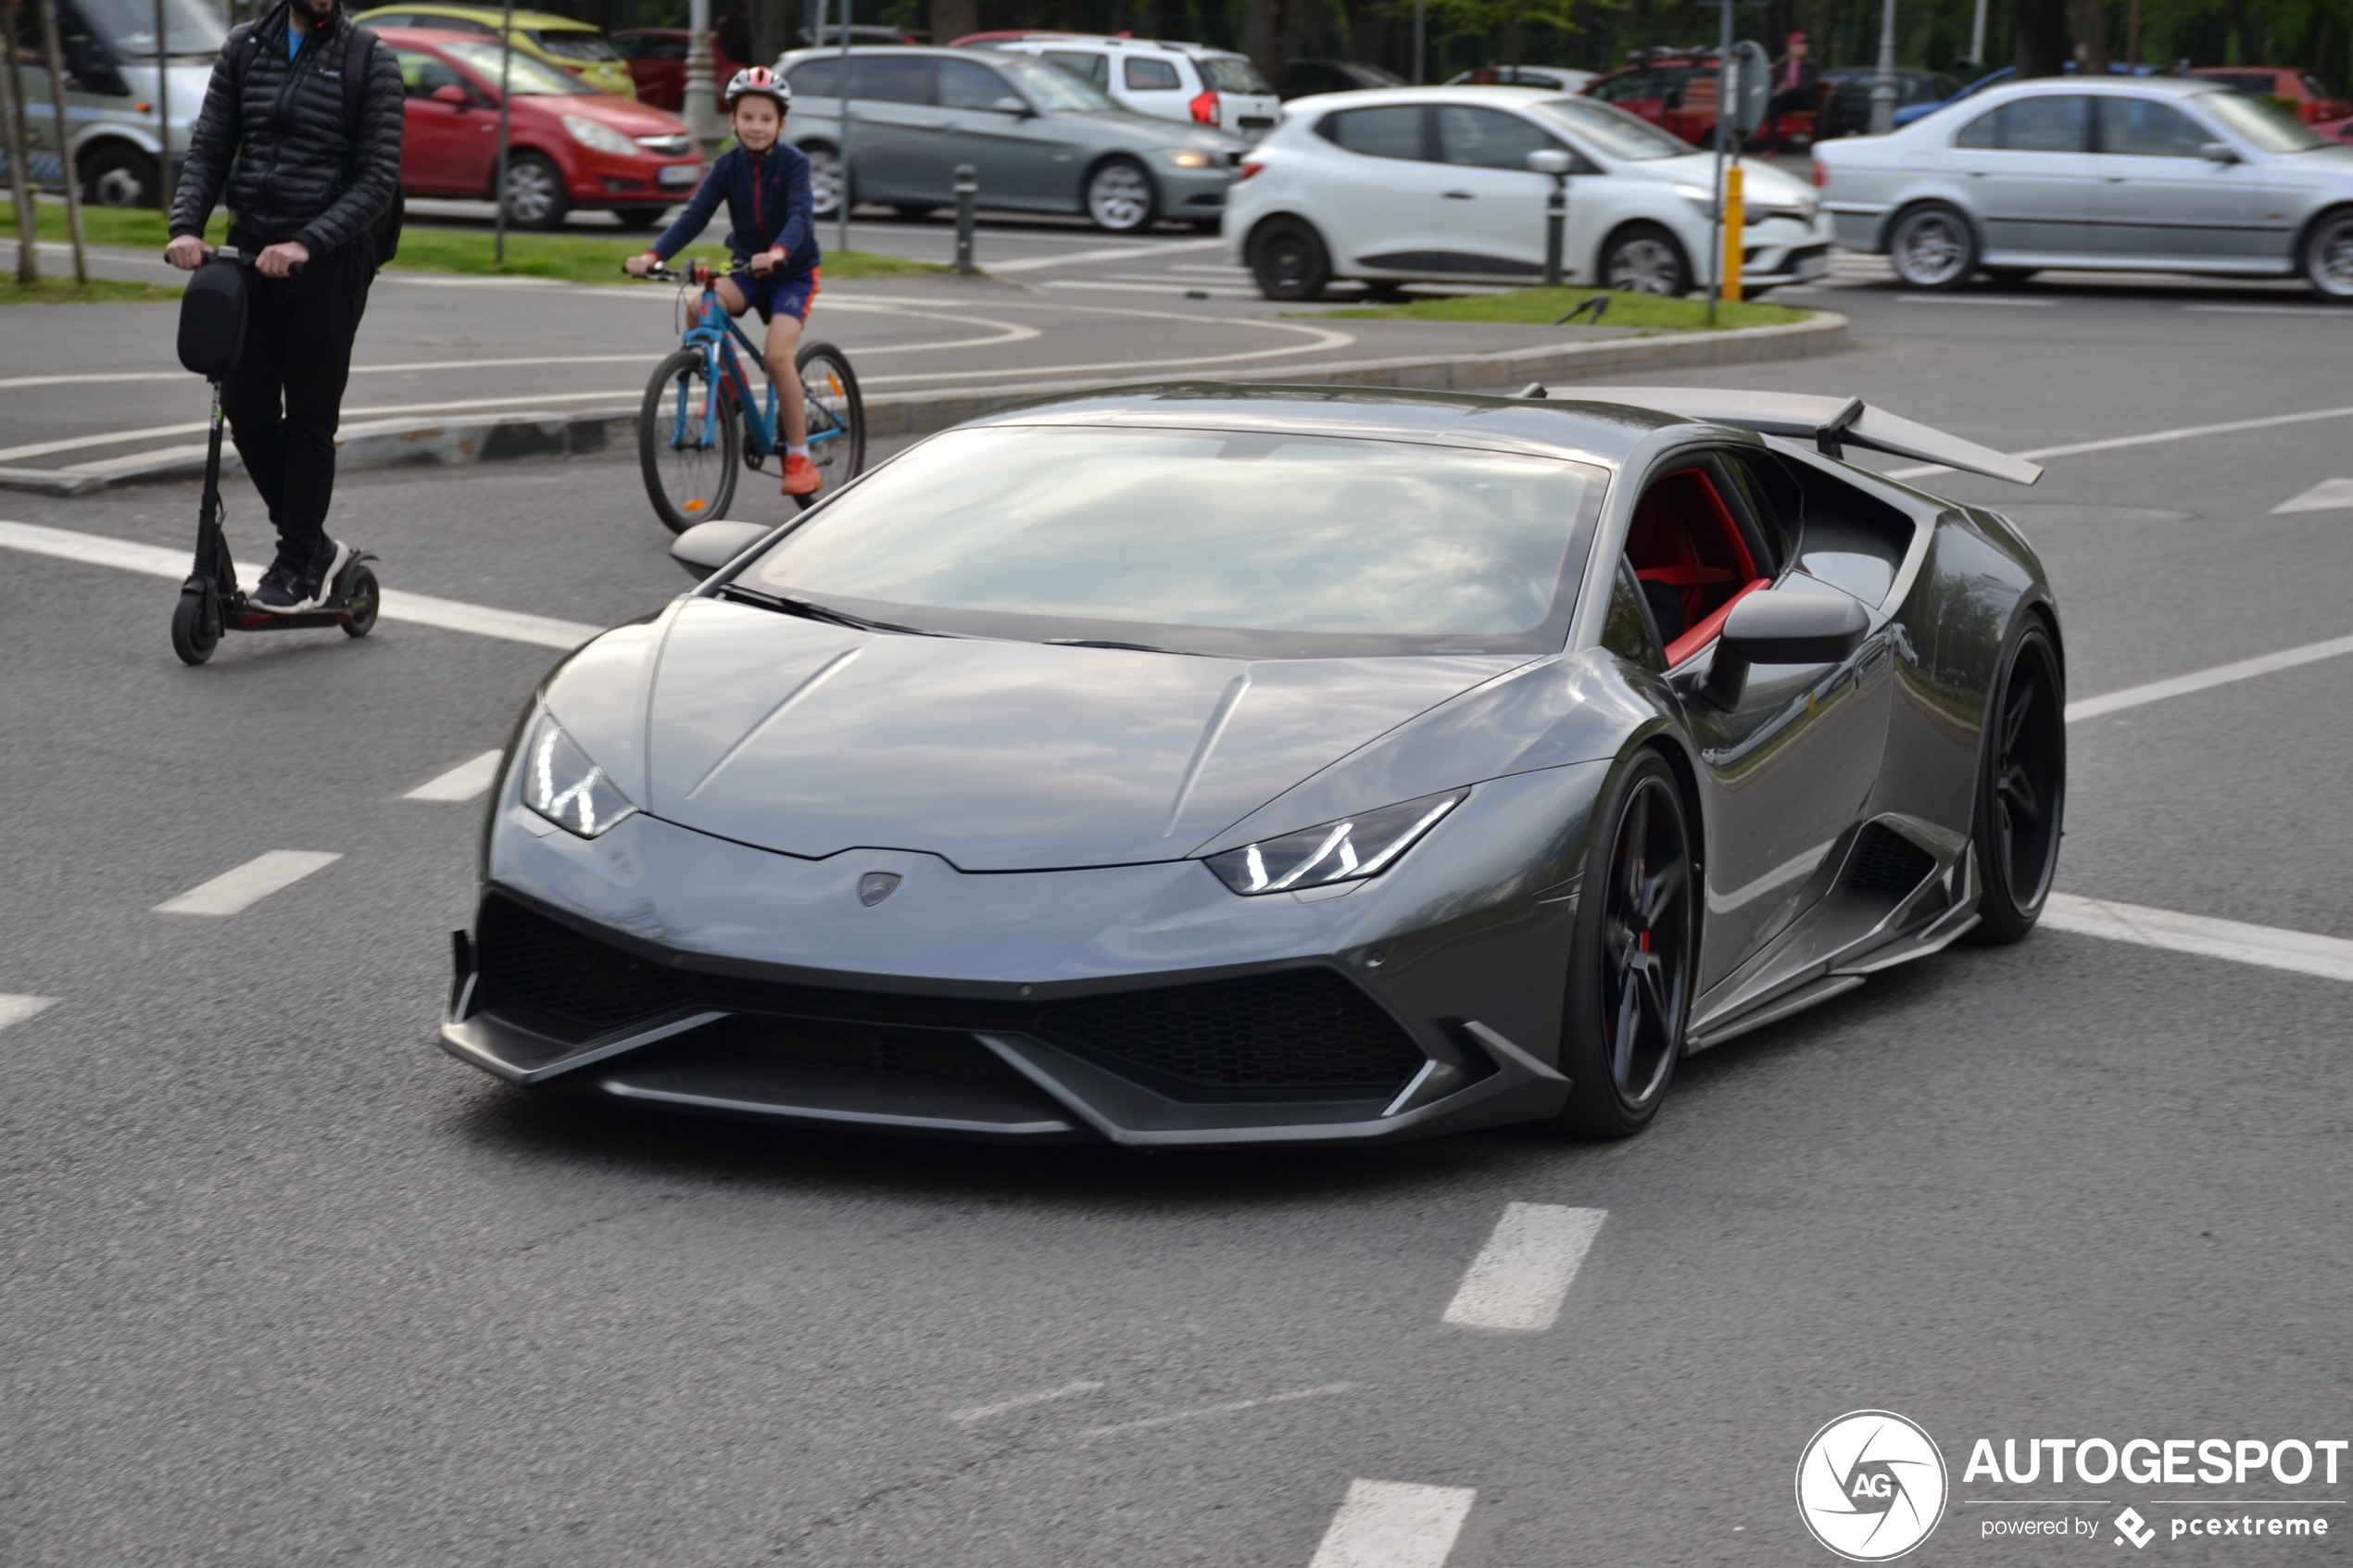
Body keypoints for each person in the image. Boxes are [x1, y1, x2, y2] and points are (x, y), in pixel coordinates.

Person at [164, 0, 402, 613]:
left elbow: (377, 179)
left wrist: (307, 242)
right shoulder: (245, 48)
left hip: (328, 260)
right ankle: (315, 546)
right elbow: (213, 143)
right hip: (251, 253)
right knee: (245, 406)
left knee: (311, 417)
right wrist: (188, 226)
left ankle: (297, 560)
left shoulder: (369, 59)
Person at [626, 68, 824, 498]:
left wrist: (778, 252)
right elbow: (695, 215)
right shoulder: (726, 167)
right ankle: (729, 394)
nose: (756, 126)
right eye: (747, 117)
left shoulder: (794, 164)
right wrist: (652, 256)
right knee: (700, 307)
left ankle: (798, 455)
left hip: (791, 273)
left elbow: (798, 216)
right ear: (732, 120)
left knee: (777, 356)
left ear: (781, 125)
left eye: (766, 119)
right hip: (748, 271)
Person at [1758, 31, 1821, 153]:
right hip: (1786, 98)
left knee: (1781, 98)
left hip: (1804, 99)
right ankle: (1771, 145)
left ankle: (1771, 144)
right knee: (1774, 103)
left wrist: (1790, 88)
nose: (1803, 47)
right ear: (1790, 46)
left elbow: (1810, 87)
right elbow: (1776, 83)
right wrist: (1780, 88)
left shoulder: (1811, 65)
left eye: (1805, 44)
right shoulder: (1781, 63)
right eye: (1799, 44)